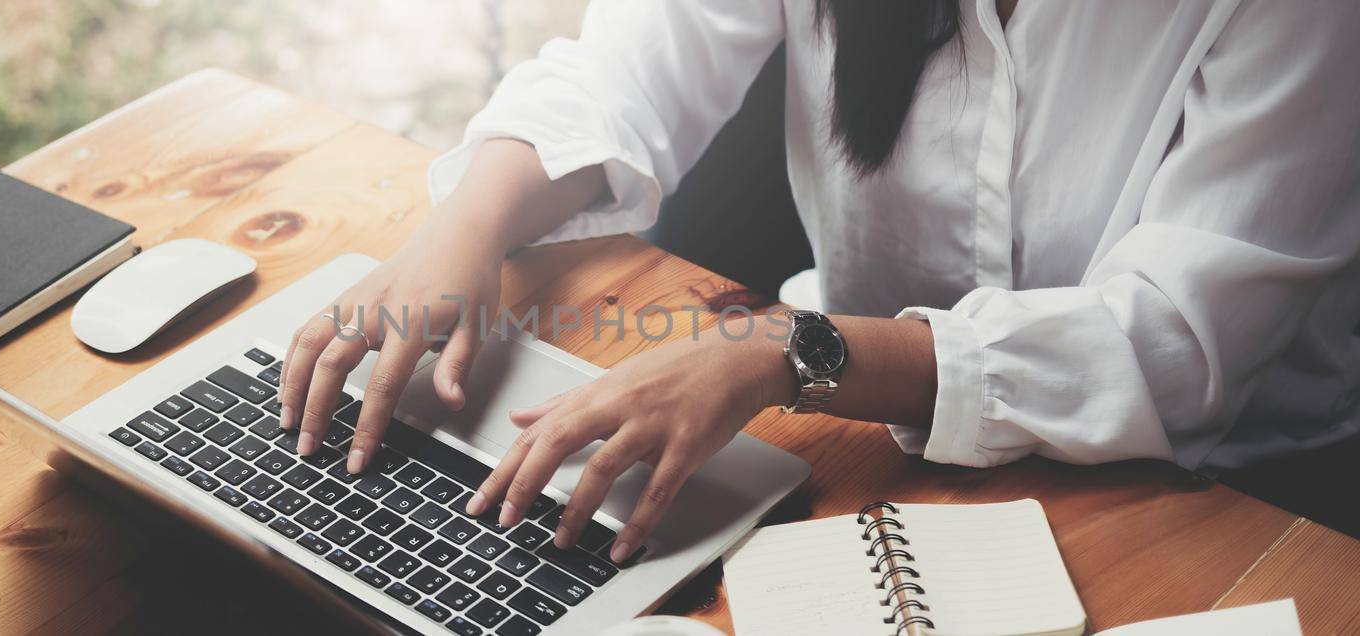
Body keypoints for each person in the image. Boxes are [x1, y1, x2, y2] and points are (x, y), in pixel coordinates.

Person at [277, 0, 1360, 565]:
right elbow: (626, 64)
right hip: (861, 436)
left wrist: (781, 353)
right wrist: (458, 232)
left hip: (1226, 491)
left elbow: (1171, 345)